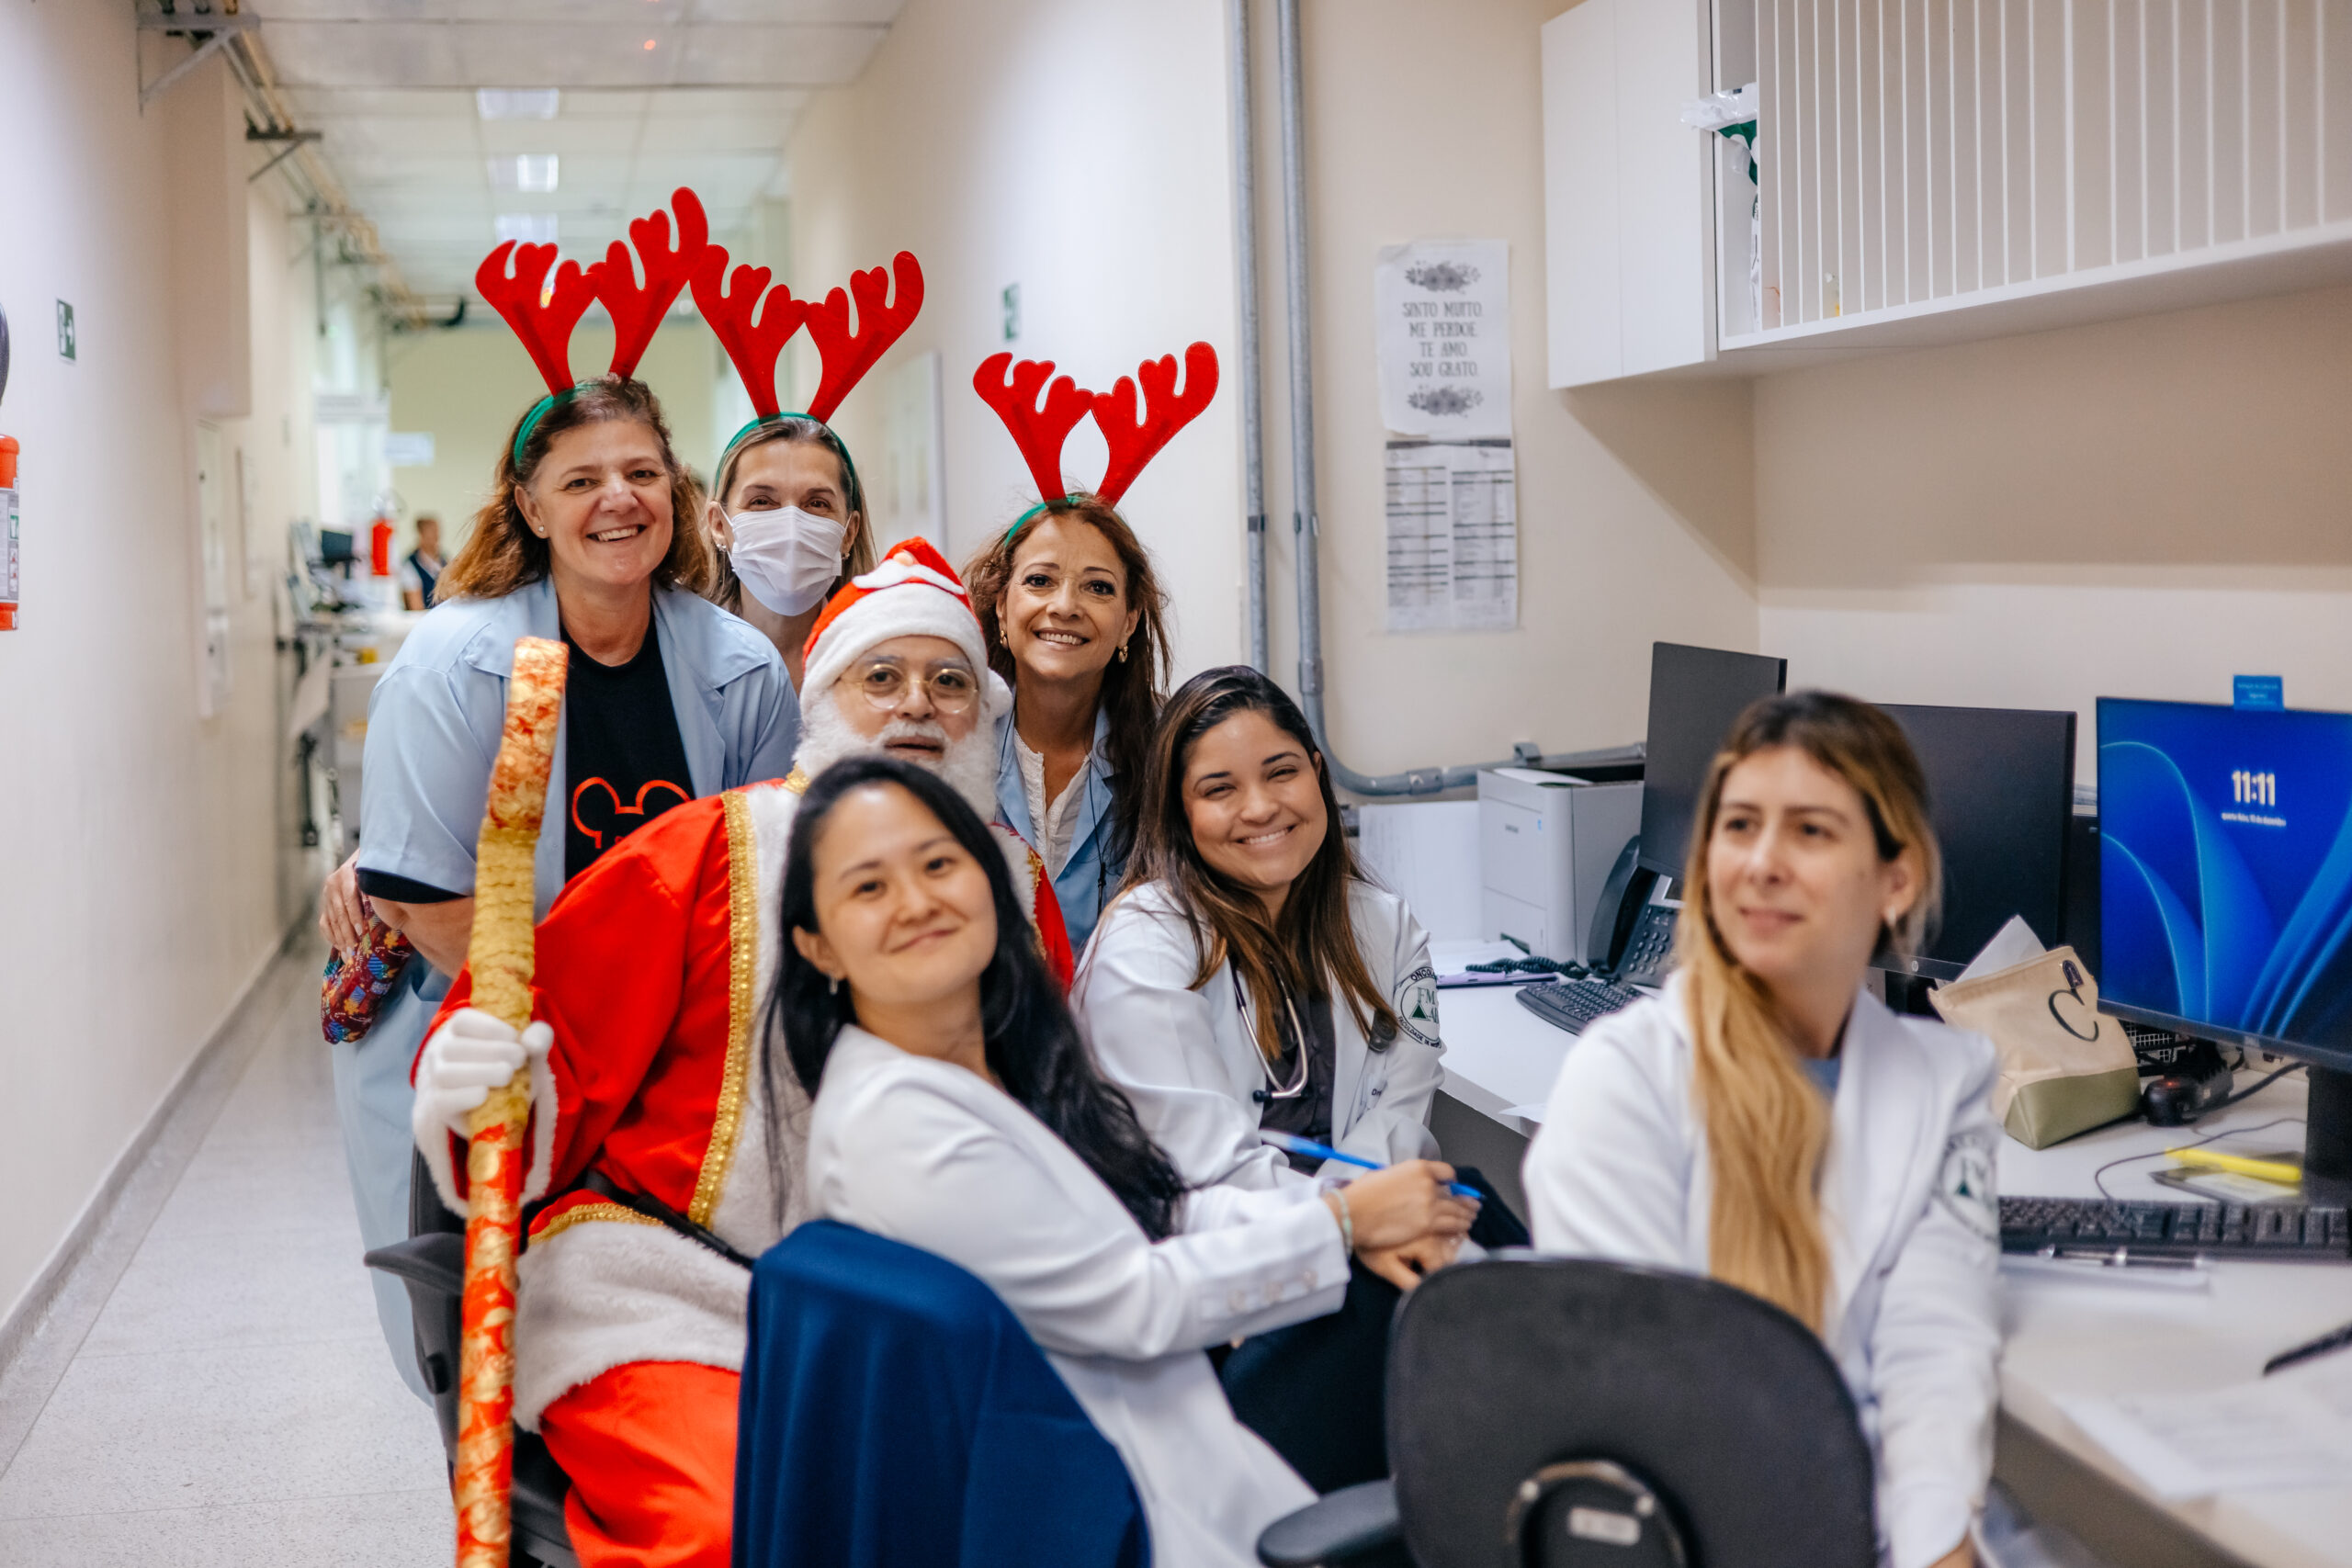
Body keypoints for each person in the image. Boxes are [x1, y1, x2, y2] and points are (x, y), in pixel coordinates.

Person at [408, 539, 1078, 1568]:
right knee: (741, 1529)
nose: (917, 706)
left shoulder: (1019, 890)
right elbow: (541, 1052)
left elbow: (1063, 1117)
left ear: (985, 714)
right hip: (678, 1294)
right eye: (881, 677)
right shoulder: (704, 848)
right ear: (823, 701)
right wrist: (480, 1085)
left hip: (925, 1313)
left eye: (950, 681)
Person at [327, 190, 799, 1397]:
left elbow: (755, 873)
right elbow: (428, 900)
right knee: (487, 1349)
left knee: (668, 1332)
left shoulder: (738, 668)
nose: (617, 498)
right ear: (531, 507)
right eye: (581, 477)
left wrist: (664, 1044)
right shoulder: (453, 661)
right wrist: (572, 1046)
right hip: (483, 1033)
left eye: (642, 469)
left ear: (677, 494)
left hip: (678, 1051)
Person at [789, 758, 1471, 1568]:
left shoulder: (987, 1068)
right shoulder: (896, 1127)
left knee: (1449, 1240)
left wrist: (1355, 1225)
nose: (917, 900)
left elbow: (1153, 1203)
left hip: (1162, 1405)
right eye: (869, 888)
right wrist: (1344, 1221)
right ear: (819, 945)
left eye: (939, 863)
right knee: (1456, 1300)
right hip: (1106, 1489)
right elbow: (1136, 1300)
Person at [1521, 692, 1999, 1568]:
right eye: (1738, 826)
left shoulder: (1947, 1080)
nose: (1762, 863)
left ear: (1897, 879)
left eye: (1811, 831)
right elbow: (1650, 1406)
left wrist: (1941, 1549)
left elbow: (1935, 1348)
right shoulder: (1623, 1075)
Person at [1073, 664, 1514, 1492]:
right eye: (1219, 788)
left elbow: (1400, 1118)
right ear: (1180, 812)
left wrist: (1375, 1218)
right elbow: (1199, 1174)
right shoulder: (1145, 947)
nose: (1260, 807)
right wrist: (1353, 1223)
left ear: (1317, 769)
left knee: (1485, 1229)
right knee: (1479, 1335)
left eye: (1281, 771)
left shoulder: (1381, 926)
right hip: (1208, 1300)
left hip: (1352, 1256)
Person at [965, 495, 1170, 953]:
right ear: (1001, 606)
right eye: (1039, 581)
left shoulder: (1174, 747)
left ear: (1129, 621)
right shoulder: (952, 738)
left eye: (1098, 588)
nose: (1065, 606)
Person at [705, 417, 874, 685]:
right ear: (718, 523)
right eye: (761, 501)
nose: (791, 527)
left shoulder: (879, 656)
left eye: (817, 503)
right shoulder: (683, 652)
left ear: (849, 533)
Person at [398, 513, 446, 610]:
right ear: (421, 534)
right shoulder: (410, 565)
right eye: (431, 532)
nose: (436, 536)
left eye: (436, 532)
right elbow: (416, 608)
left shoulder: (444, 561)